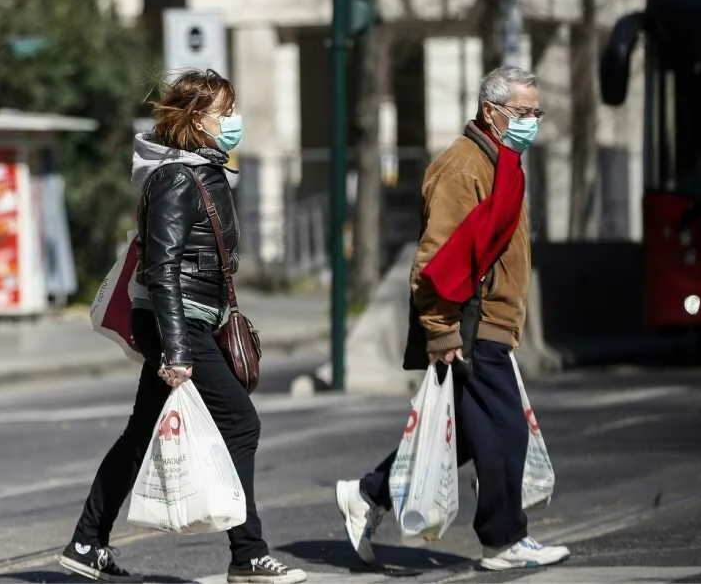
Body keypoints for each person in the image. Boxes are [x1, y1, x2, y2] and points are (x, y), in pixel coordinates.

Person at [59, 70, 308, 584]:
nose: (233, 121)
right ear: (197, 120)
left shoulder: (198, 170)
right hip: (180, 322)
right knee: (241, 423)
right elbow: (163, 267)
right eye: (225, 111)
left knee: (141, 431)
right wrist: (176, 350)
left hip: (189, 319)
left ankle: (87, 542)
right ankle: (248, 555)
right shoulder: (177, 178)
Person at [335, 66, 571, 571]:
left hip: (490, 322)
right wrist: (441, 330)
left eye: (536, 112)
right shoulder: (464, 168)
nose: (532, 122)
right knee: (506, 430)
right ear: (491, 112)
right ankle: (503, 540)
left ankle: (368, 495)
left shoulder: (500, 163)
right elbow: (435, 257)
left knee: (469, 431)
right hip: (470, 322)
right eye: (523, 113)